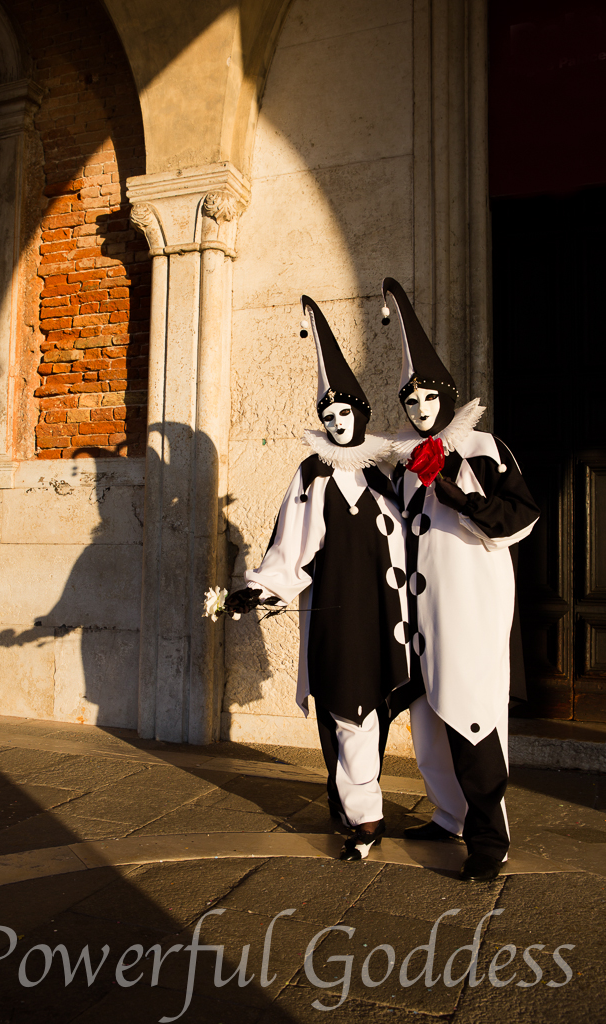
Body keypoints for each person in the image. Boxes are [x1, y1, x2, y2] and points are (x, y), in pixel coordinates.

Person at [225, 296, 411, 861]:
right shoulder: (313, 474)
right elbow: (292, 544)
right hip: (340, 617)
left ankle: (354, 806)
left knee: (370, 712)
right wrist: (260, 586)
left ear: (360, 415)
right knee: (347, 710)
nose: (335, 422)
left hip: (387, 619)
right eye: (327, 416)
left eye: (343, 414)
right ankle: (365, 820)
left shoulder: (382, 478)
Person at [380, 277, 540, 882]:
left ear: (446, 396)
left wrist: (459, 495)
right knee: (427, 723)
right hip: (419, 617)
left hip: (468, 612)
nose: (419, 410)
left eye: (427, 399)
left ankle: (488, 838)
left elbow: (519, 516)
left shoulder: (482, 447)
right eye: (410, 402)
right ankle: (448, 814)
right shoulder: (403, 463)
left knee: (471, 716)